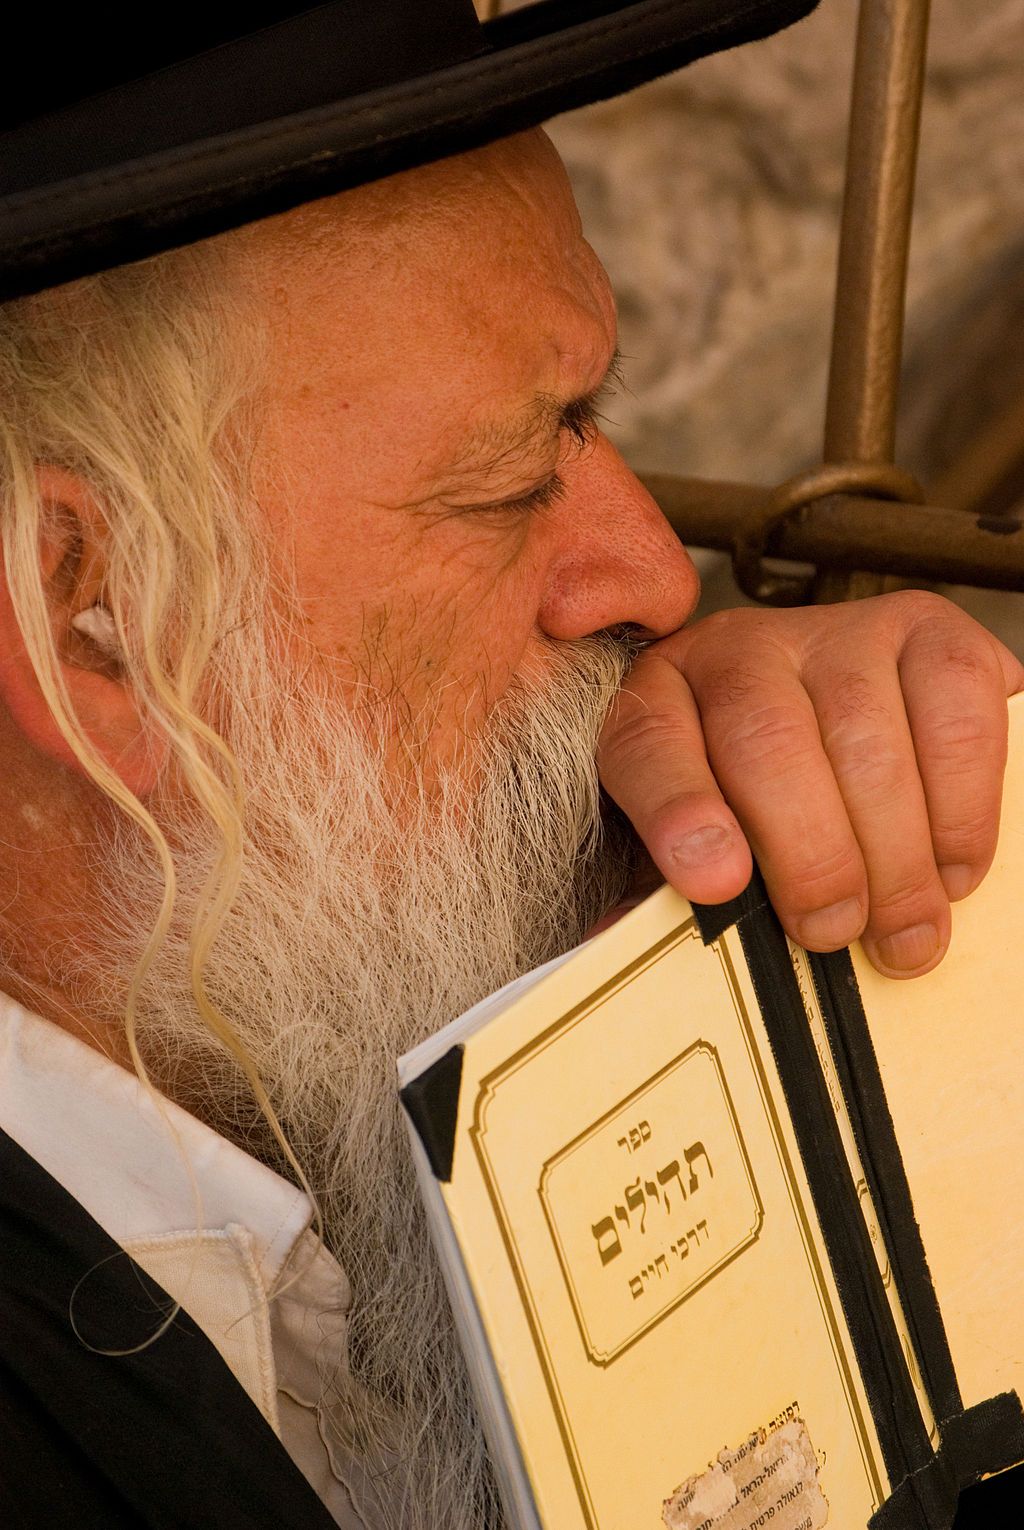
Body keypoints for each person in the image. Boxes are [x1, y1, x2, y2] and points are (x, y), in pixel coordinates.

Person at [1, 6, 1020, 1529]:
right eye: (511, 481)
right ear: (95, 616)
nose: (657, 577)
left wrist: (821, 978)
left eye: (601, 420)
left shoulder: (287, 1042)